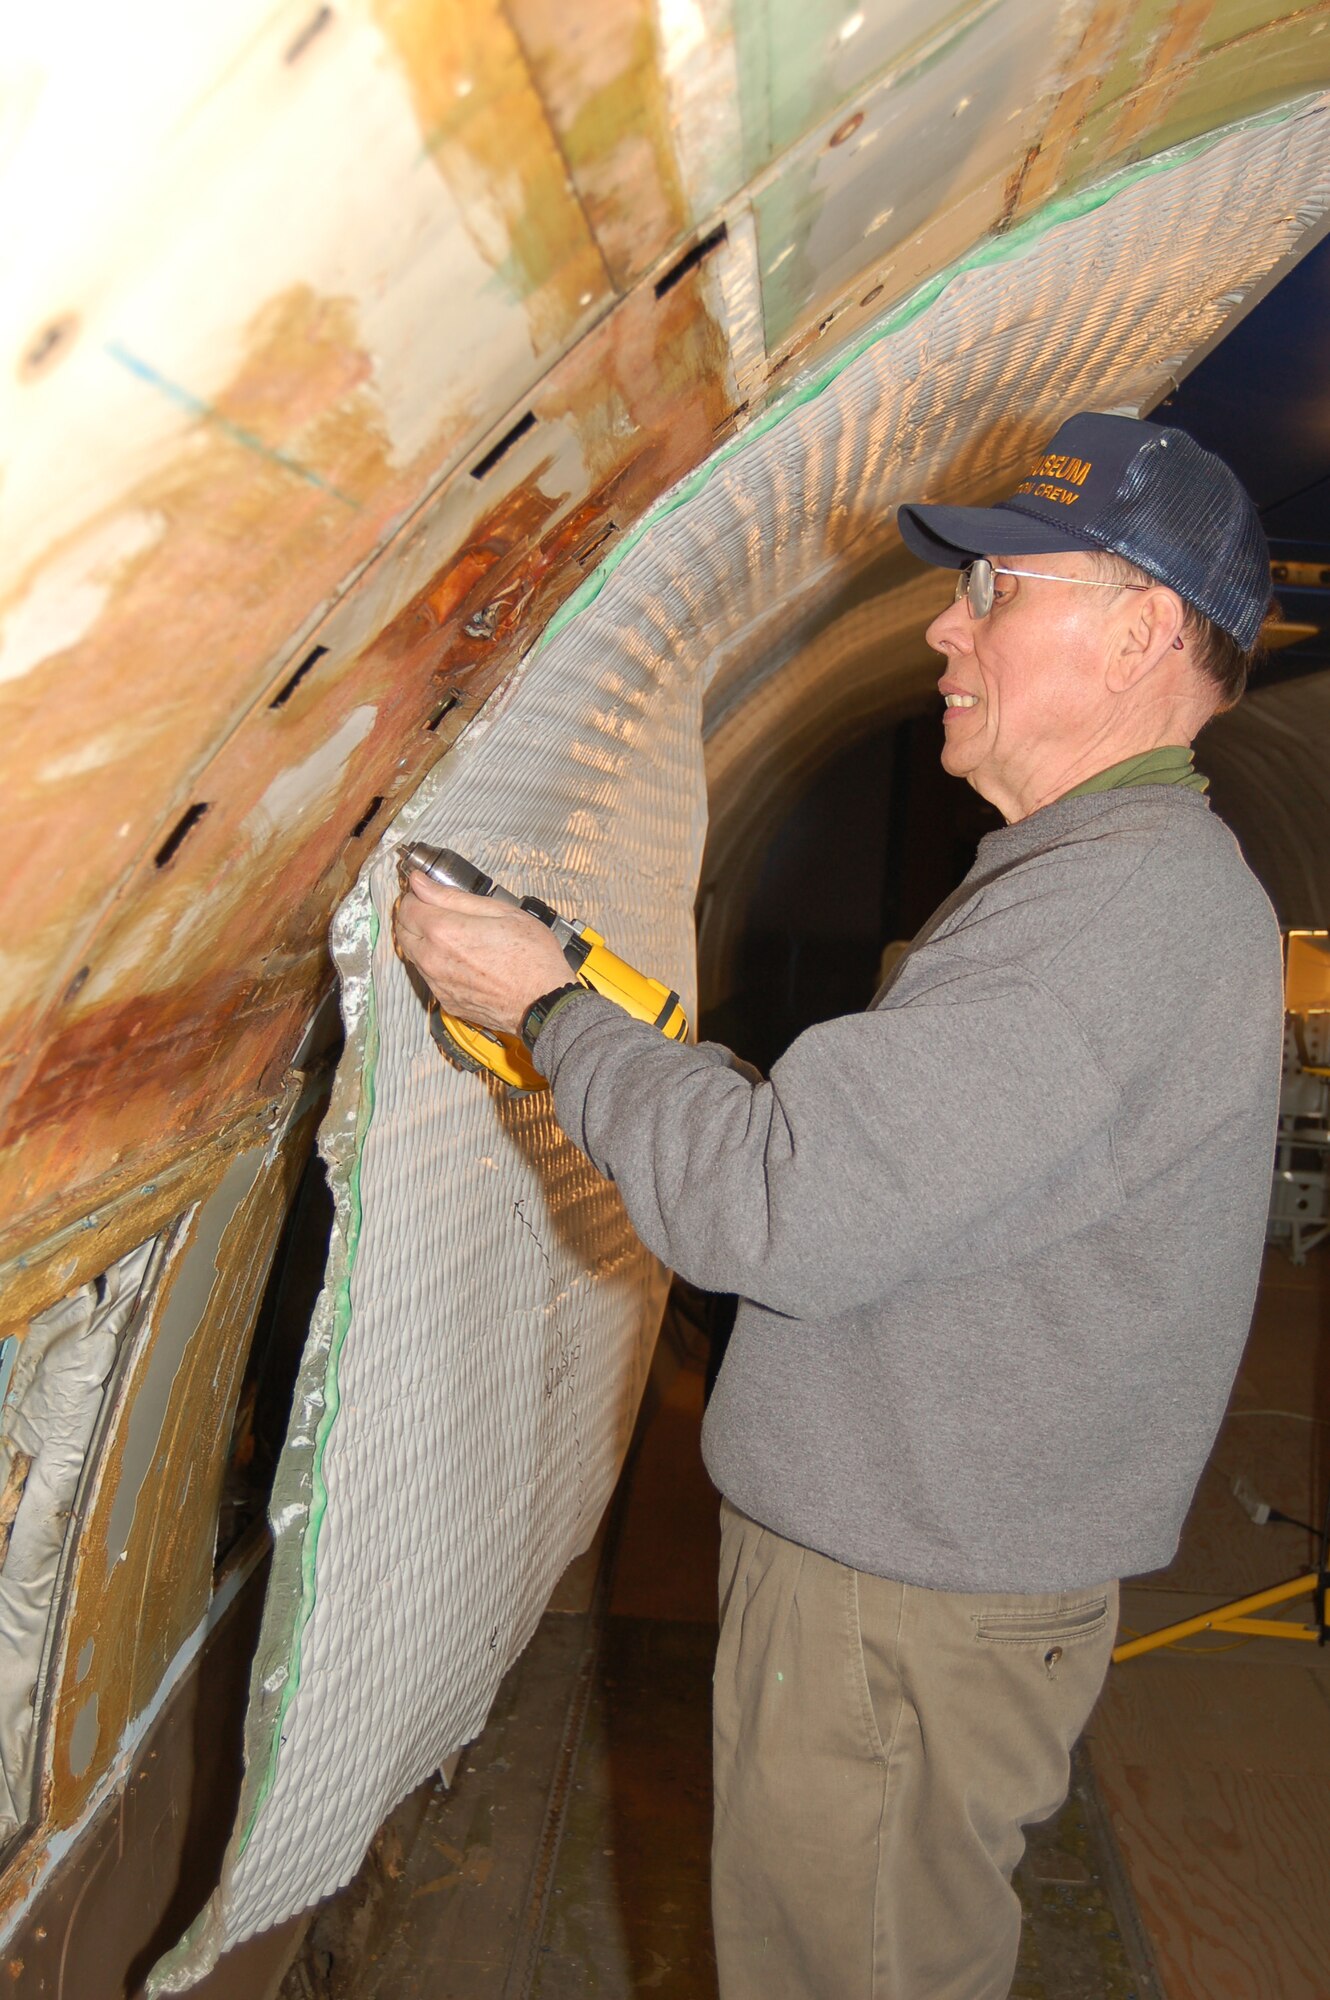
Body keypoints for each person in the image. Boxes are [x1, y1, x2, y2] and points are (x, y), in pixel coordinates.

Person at [394, 411, 1285, 1999]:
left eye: (999, 589)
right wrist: (622, 1024)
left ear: (1144, 629)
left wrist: (549, 1011)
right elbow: (895, 1163)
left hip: (902, 1611)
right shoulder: (1095, 875)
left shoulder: (1115, 906)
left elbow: (773, 1214)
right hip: (921, 1578)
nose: (946, 623)